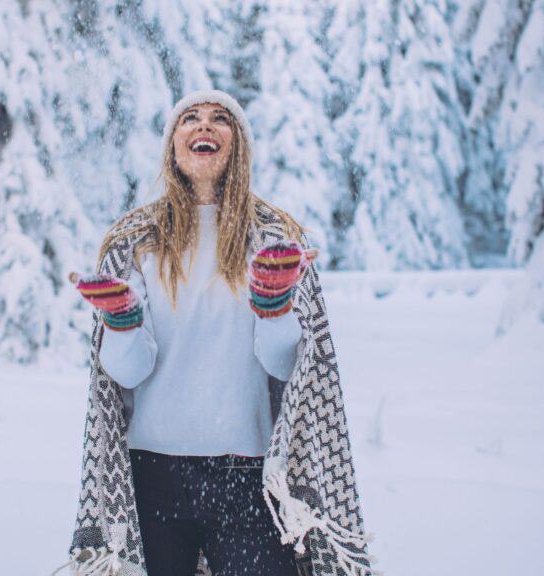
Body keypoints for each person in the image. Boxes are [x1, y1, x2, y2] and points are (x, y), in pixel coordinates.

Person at [62, 89, 374, 576]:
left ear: (239, 144)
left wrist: (274, 306)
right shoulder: (135, 241)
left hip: (246, 480)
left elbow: (289, 366)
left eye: (219, 119)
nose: (203, 127)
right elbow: (127, 372)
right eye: (190, 118)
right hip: (152, 475)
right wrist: (121, 324)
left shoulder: (273, 238)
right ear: (172, 143)